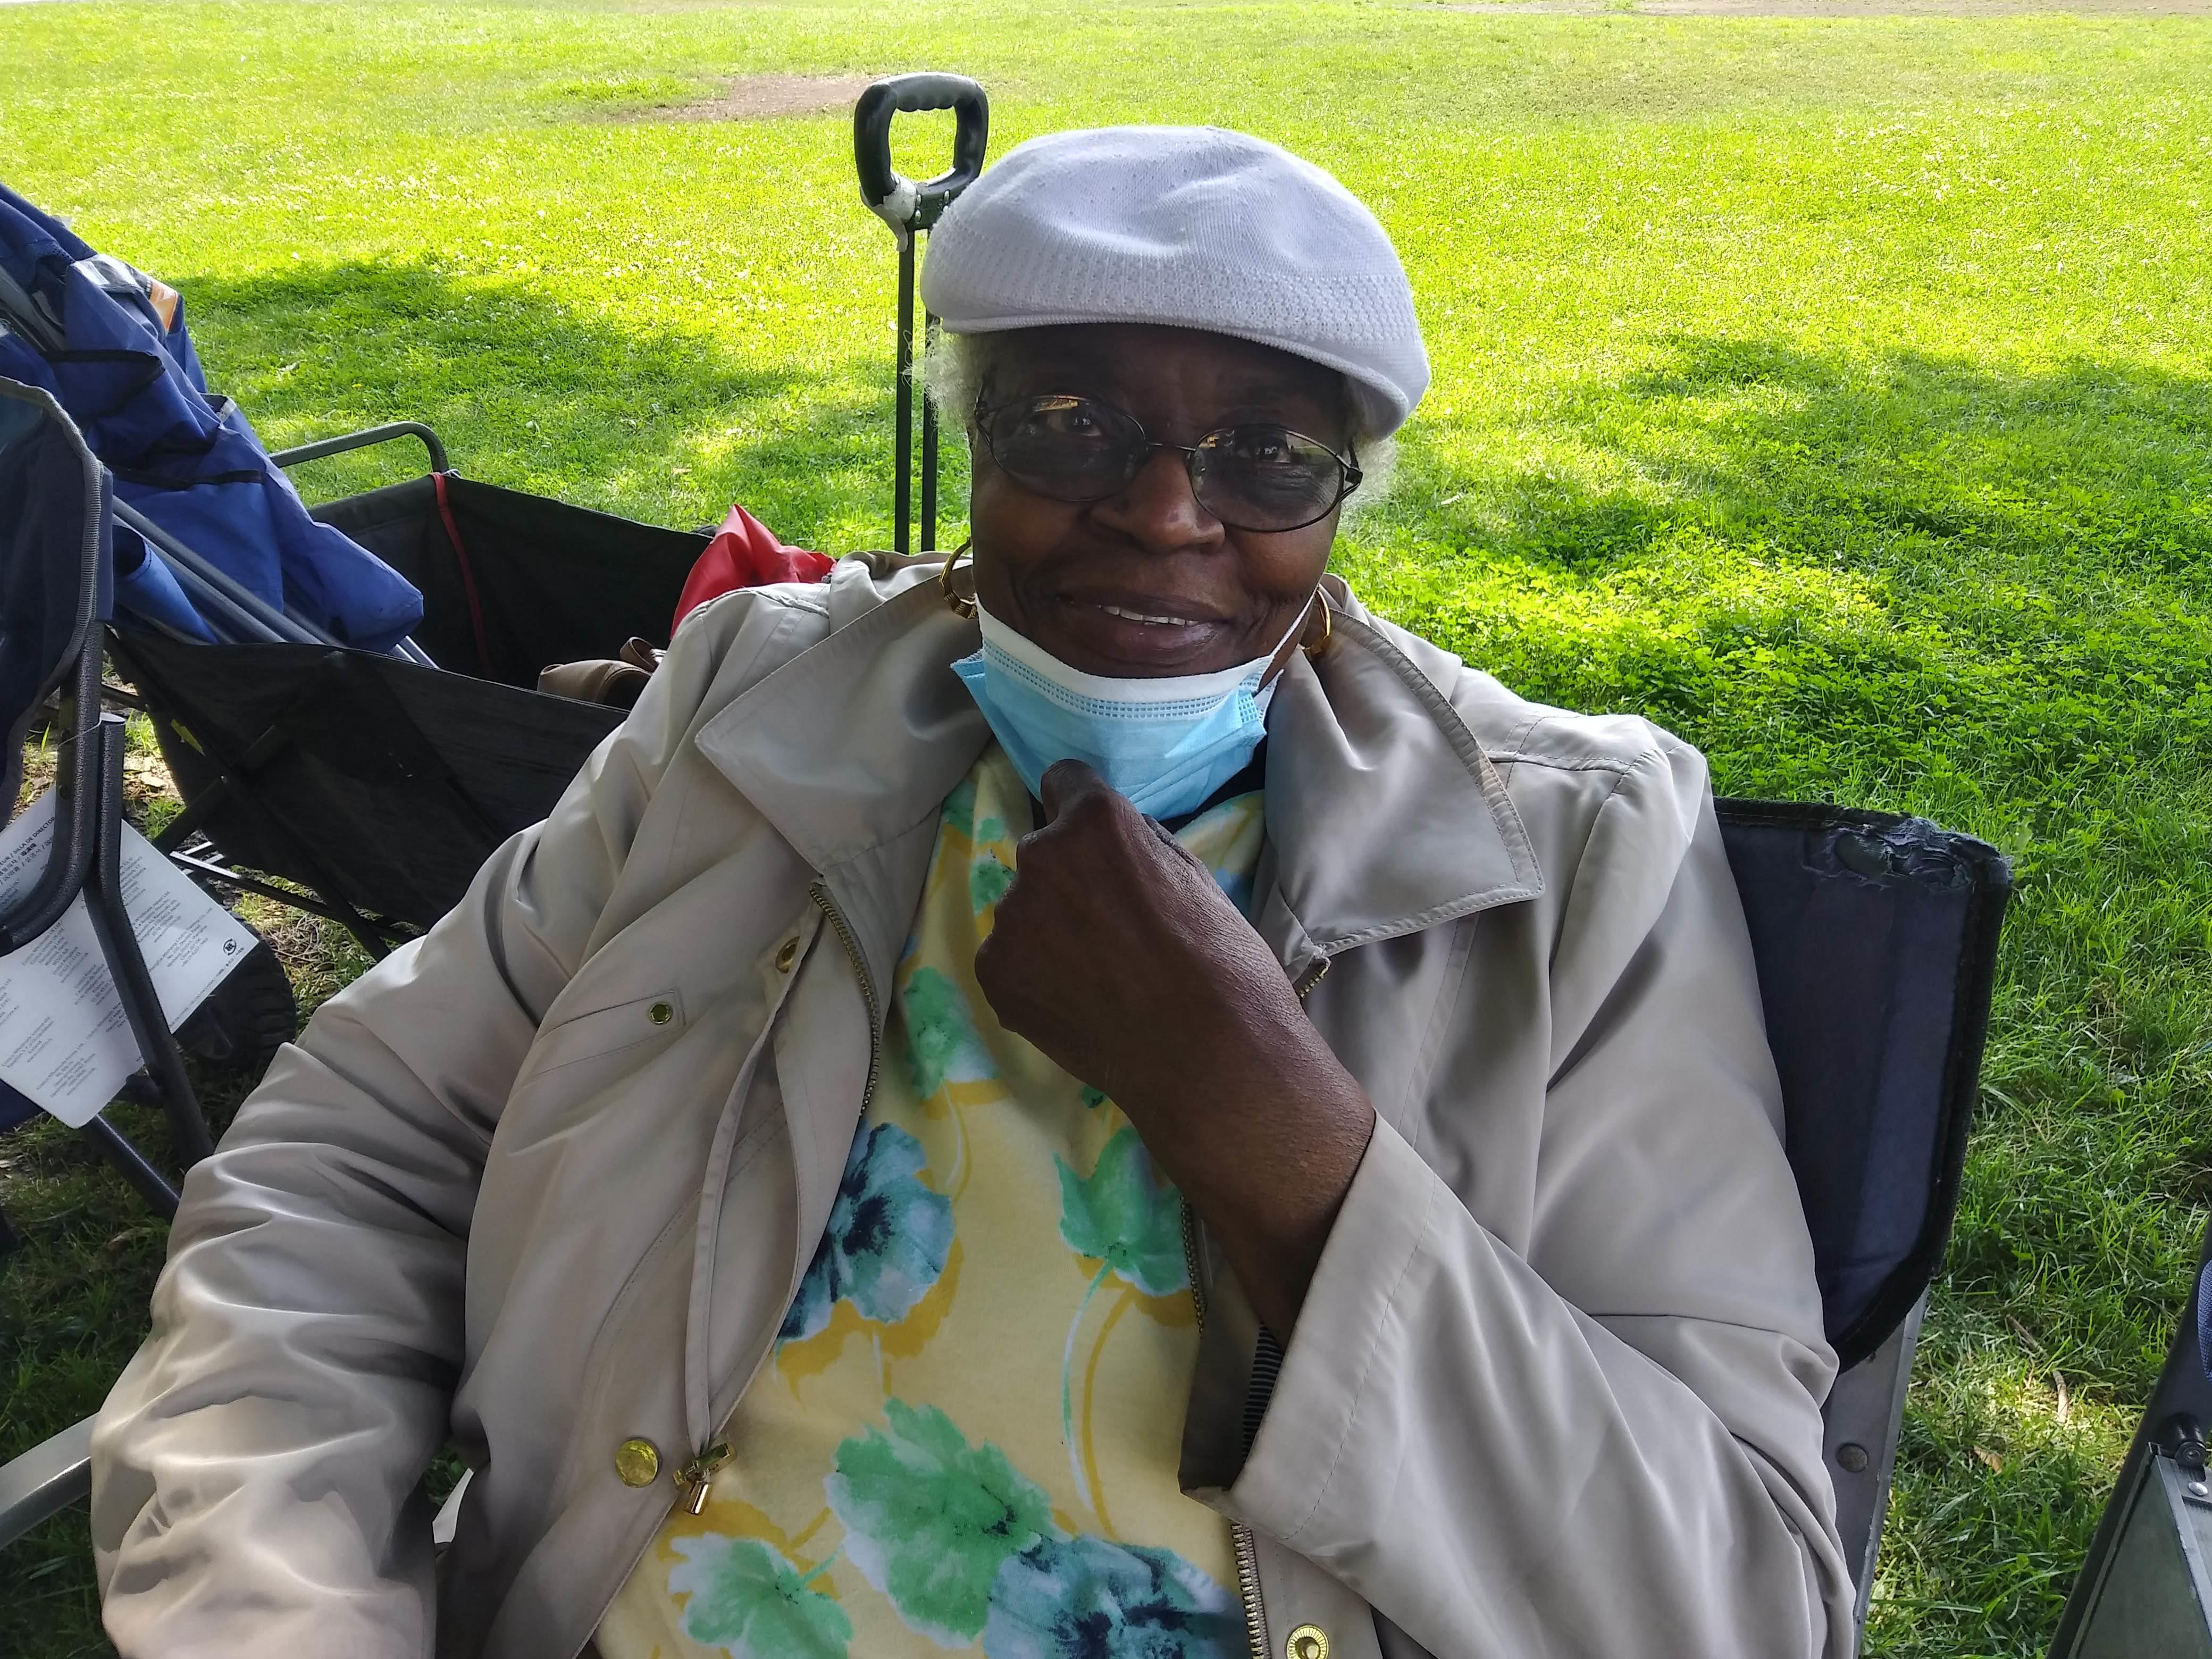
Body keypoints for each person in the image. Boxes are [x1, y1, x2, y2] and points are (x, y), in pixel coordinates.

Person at [91, 127, 1854, 1659]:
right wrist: (275, 1603)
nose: (1166, 512)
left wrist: (1277, 1138)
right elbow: (354, 1160)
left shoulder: (1579, 851)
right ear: (973, 442)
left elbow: (1735, 1602)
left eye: (1267, 454)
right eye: (1074, 425)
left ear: (1348, 502)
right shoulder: (753, 704)